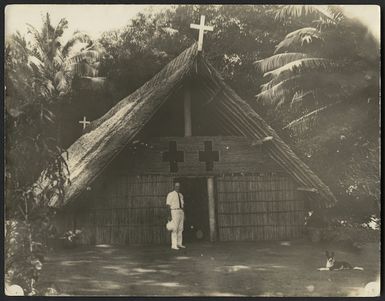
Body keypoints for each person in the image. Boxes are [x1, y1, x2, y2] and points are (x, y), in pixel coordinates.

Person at [166, 182, 186, 250]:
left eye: (179, 186)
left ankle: (179, 243)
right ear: (174, 187)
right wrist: (169, 215)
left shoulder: (181, 195)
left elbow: (182, 205)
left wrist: (184, 214)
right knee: (175, 228)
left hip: (181, 211)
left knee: (181, 228)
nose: (178, 187)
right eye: (176, 186)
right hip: (174, 211)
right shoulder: (171, 194)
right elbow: (168, 205)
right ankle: (174, 245)